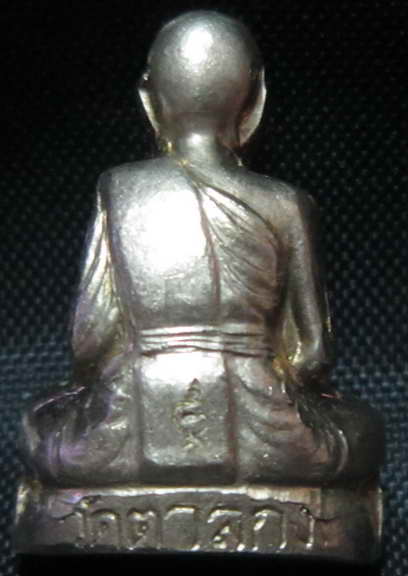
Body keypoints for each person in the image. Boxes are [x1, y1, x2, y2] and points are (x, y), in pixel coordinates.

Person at [22, 11, 384, 487]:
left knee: (39, 425)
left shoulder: (117, 189)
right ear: (254, 101)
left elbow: (89, 340)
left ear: (150, 99)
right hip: (265, 426)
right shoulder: (286, 203)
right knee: (362, 431)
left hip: (130, 421)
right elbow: (312, 354)